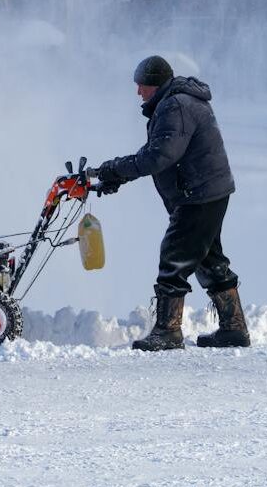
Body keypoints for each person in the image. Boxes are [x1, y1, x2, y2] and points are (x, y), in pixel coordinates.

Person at [95, 55, 251, 351]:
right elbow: (157, 151)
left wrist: (116, 169)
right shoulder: (175, 102)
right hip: (206, 191)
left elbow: (159, 156)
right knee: (209, 260)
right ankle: (234, 329)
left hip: (199, 194)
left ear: (155, 84)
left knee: (174, 256)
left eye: (141, 85)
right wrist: (117, 175)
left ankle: (168, 331)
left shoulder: (176, 105)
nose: (138, 92)